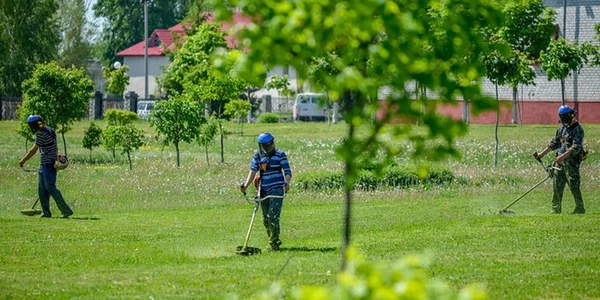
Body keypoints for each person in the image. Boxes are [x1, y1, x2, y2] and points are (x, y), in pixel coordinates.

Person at [240, 133, 292, 250]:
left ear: (273, 143)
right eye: (265, 146)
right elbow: (253, 171)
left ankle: (274, 242)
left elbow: (287, 171)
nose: (268, 148)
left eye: (270, 145)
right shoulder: (258, 156)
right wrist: (245, 185)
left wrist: (287, 183)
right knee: (265, 219)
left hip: (277, 189)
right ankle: (271, 238)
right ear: (261, 146)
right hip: (263, 190)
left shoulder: (280, 155)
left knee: (273, 216)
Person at [19, 115, 74, 218]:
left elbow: (33, 150)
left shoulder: (41, 134)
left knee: (50, 188)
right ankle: (46, 213)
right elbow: (55, 146)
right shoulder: (50, 130)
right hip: (47, 164)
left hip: (47, 165)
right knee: (42, 190)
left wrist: (23, 160)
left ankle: (66, 210)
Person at [534, 105, 586, 214]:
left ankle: (579, 208)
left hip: (572, 163)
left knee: (574, 185)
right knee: (557, 186)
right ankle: (555, 209)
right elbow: (555, 143)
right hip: (560, 163)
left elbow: (576, 147)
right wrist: (541, 154)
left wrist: (562, 157)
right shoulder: (562, 128)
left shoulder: (578, 129)